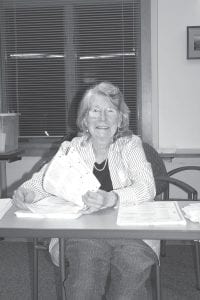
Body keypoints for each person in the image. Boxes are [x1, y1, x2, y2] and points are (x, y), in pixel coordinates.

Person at [13, 81, 159, 300]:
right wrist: (27, 193)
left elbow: (147, 187)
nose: (103, 118)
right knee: (85, 274)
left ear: (120, 119)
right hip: (82, 232)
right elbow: (43, 181)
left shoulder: (130, 145)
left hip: (132, 233)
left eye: (110, 110)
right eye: (95, 111)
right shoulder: (72, 148)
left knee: (131, 268)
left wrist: (112, 199)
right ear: (84, 119)